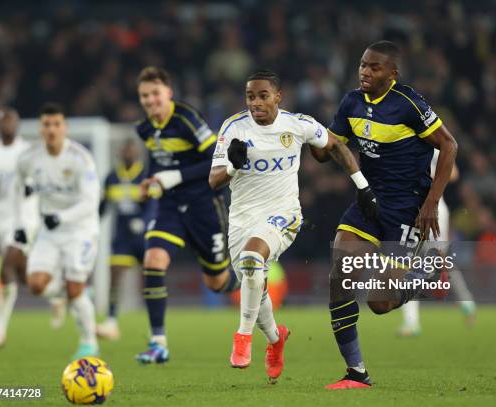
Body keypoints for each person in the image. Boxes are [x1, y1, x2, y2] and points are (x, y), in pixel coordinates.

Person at [209, 69, 378, 382]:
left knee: (251, 261)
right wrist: (233, 164)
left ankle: (242, 339)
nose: (255, 102)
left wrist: (363, 186)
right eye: (250, 96)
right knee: (253, 281)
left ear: (278, 97)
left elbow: (337, 146)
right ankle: (276, 339)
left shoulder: (298, 124)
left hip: (284, 213)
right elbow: (213, 181)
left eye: (262, 96)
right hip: (242, 219)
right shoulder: (232, 127)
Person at [310, 41, 458, 389]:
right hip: (369, 203)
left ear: (392, 74)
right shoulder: (351, 102)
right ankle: (356, 373)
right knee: (340, 273)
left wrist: (432, 203)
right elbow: (327, 150)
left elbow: (449, 145)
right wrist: (312, 136)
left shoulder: (409, 104)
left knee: (380, 302)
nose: (365, 72)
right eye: (363, 65)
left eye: (374, 67)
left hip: (407, 208)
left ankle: (427, 272)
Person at [134, 66, 238, 364]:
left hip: (205, 205)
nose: (150, 100)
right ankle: (158, 343)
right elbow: (157, 162)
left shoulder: (186, 119)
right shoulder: (145, 129)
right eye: (144, 95)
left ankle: (250, 281)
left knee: (216, 283)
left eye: (155, 93)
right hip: (170, 205)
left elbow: (218, 161)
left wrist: (174, 176)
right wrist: (150, 181)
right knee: (153, 260)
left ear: (168, 92)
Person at [17, 103, 101, 359]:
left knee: (75, 288)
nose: (51, 129)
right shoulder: (28, 159)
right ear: (40, 128)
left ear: (64, 127)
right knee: (35, 285)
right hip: (50, 231)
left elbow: (90, 202)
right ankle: (73, 294)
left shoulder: (80, 158)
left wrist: (61, 217)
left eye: (56, 124)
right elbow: (24, 194)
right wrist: (23, 225)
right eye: (46, 124)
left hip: (81, 229)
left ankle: (89, 342)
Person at [0, 108, 44, 350]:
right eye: (4, 121)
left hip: (26, 220)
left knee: (6, 268)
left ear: (18, 124)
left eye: (12, 121)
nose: (8, 125)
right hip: (1, 221)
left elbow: (42, 180)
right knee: (23, 276)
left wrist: (33, 187)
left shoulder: (29, 151)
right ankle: (63, 293)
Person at [398, 156, 476, 337]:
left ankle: (466, 302)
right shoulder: (403, 142)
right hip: (411, 210)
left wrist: (428, 175)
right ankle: (411, 321)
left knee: (440, 260)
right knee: (408, 263)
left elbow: (454, 172)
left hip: (435, 209)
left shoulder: (432, 144)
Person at [97, 139, 154, 340]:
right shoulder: (112, 177)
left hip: (144, 237)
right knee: (115, 276)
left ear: (137, 153)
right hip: (122, 237)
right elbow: (103, 207)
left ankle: (154, 325)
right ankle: (111, 322)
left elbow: (154, 204)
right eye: (125, 149)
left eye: (131, 149)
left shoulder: (146, 175)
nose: (128, 152)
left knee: (149, 281)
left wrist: (143, 221)